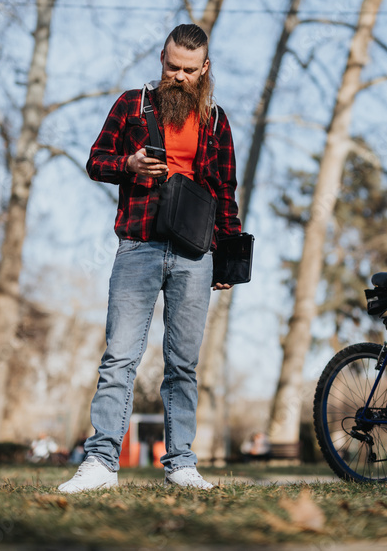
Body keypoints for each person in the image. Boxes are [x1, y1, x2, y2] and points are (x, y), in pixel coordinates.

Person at [59, 24, 241, 493]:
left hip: (194, 255)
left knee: (183, 364)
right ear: (161, 58)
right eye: (170, 66)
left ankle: (181, 464)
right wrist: (129, 165)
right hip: (138, 245)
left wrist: (228, 260)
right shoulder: (130, 104)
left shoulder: (218, 122)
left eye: (187, 70)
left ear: (204, 69)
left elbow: (225, 195)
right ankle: (100, 462)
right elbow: (96, 160)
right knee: (119, 357)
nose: (176, 77)